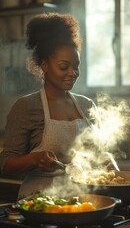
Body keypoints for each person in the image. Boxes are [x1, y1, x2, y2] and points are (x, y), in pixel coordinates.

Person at [0, 12, 98, 199]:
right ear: (44, 65)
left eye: (76, 66)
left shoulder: (86, 105)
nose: (72, 73)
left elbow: (99, 155)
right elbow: (5, 163)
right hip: (39, 201)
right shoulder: (26, 107)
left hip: (82, 199)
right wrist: (34, 159)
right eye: (63, 66)